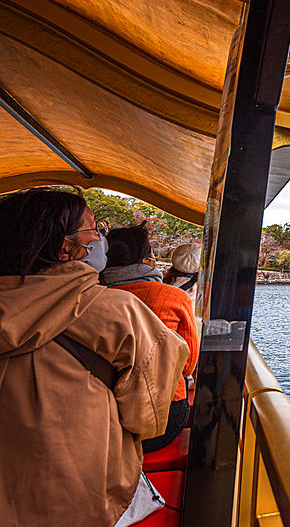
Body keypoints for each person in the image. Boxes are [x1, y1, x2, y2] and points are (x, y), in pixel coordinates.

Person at [0, 188, 188, 527]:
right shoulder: (118, 313)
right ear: (66, 247)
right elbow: (148, 418)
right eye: (94, 228)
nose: (101, 236)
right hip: (80, 499)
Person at [101, 223, 199, 453]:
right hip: (163, 418)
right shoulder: (174, 297)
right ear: (146, 261)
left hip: (103, 418)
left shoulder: (90, 294)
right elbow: (186, 366)